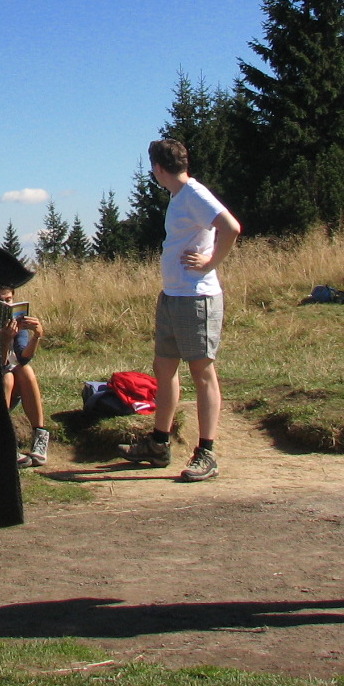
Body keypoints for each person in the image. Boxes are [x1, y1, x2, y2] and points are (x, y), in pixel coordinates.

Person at [119, 138, 241, 482]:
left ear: (158, 168)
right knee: (164, 367)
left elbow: (231, 227)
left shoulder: (194, 194)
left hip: (196, 297)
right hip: (173, 295)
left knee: (202, 373)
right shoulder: (179, 197)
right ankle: (159, 444)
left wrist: (210, 262)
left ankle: (207, 453)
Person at [0, 290, 48, 466]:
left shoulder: (16, 321)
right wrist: (4, 341)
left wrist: (37, 336)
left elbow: (23, 358)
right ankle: (1, 441)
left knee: (25, 370)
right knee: (7, 378)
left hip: (10, 388)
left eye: (8, 299)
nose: (6, 304)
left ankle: (40, 434)